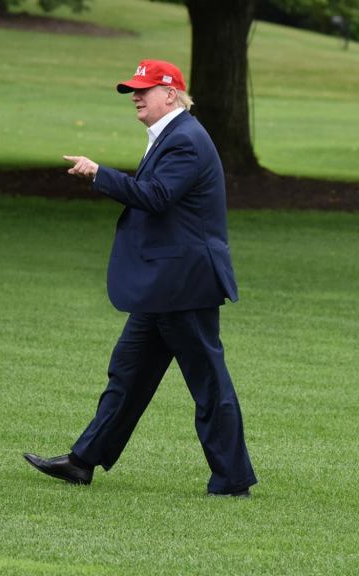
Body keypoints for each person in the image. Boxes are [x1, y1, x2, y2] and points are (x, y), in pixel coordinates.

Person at [24, 60, 257, 497]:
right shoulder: (170, 136)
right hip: (164, 285)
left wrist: (99, 173)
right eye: (133, 88)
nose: (135, 95)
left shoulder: (185, 139)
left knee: (208, 382)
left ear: (171, 94)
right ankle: (82, 461)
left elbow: (156, 196)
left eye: (144, 88)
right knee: (128, 374)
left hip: (184, 285)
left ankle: (232, 480)